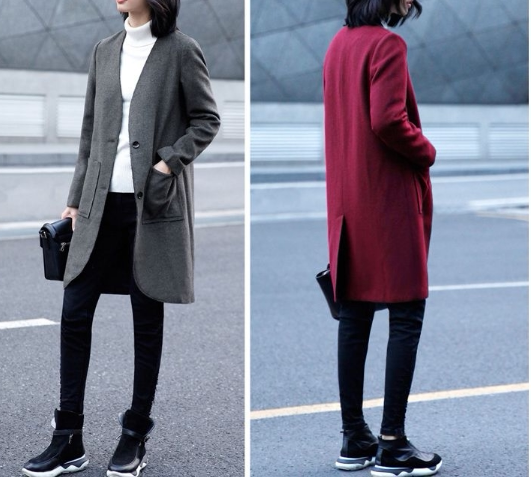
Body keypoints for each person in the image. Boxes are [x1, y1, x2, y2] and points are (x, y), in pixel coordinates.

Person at [22, 0, 220, 475]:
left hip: (150, 207)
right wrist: (74, 199)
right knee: (74, 312)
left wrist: (167, 163)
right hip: (98, 206)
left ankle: (134, 434)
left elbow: (207, 119)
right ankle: (68, 437)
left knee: (145, 318)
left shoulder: (181, 50)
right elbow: (90, 131)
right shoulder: (104, 50)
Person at [323, 0, 442, 476]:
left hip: (348, 204)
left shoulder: (337, 45)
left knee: (353, 318)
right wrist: (426, 150)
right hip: (388, 201)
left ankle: (354, 438)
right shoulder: (387, 45)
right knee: (406, 314)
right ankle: (392, 443)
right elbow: (388, 119)